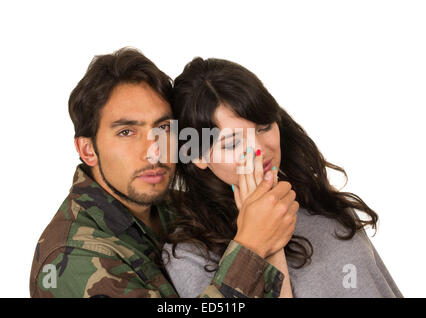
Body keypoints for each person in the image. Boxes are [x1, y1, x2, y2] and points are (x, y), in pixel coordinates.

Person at [29, 47, 295, 298]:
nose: (154, 150)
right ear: (88, 150)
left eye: (164, 128)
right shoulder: (72, 259)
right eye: (126, 132)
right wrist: (251, 248)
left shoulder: (179, 206)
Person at [162, 57, 403, 298]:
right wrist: (267, 241)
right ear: (197, 156)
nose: (260, 149)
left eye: (264, 128)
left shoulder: (316, 198)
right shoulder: (189, 255)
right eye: (232, 142)